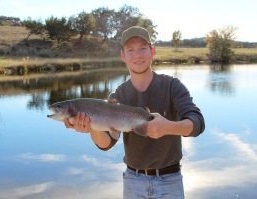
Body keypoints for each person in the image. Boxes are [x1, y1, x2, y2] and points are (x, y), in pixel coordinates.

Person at [64, 26, 205, 199]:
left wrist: (169, 127)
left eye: (142, 48)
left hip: (171, 181)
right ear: (123, 55)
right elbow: (106, 143)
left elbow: (197, 123)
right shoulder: (118, 96)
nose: (137, 55)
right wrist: (92, 126)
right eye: (130, 50)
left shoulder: (172, 86)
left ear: (152, 51)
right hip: (133, 181)